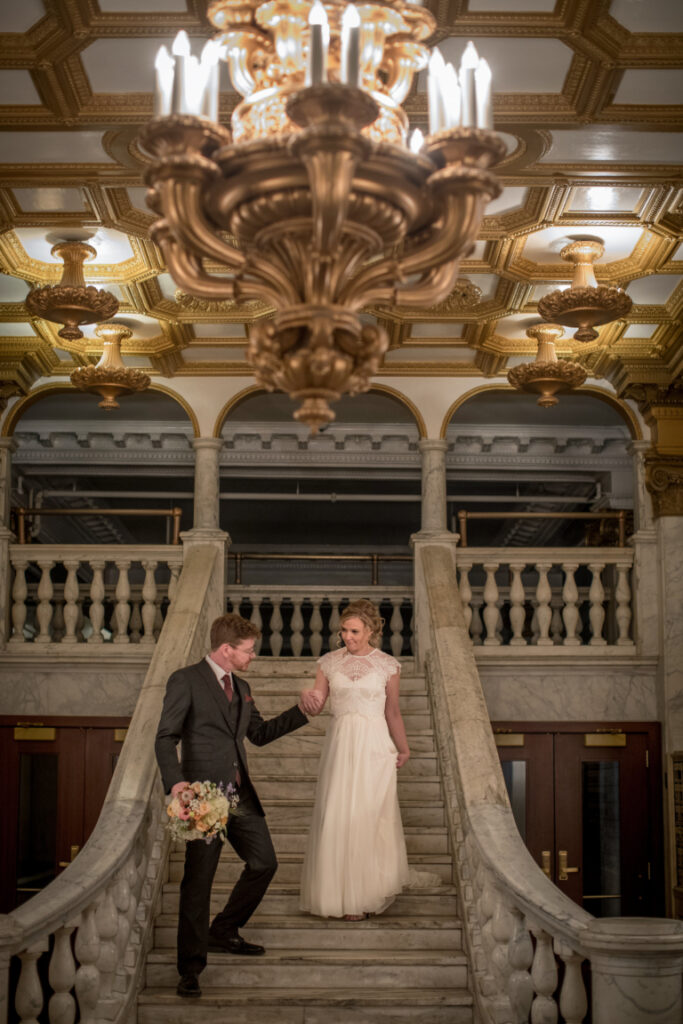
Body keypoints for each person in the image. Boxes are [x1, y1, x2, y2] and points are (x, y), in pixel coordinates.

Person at [155, 612, 322, 997]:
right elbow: (165, 737)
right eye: (248, 651)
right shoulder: (186, 680)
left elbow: (259, 735)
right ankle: (190, 969)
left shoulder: (243, 687)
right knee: (198, 883)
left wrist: (301, 713)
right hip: (202, 798)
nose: (252, 657)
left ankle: (224, 929)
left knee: (264, 863)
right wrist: (177, 782)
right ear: (226, 649)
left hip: (239, 797)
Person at [299, 599, 411, 920]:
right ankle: (338, 896)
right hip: (340, 743)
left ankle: (366, 895)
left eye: (354, 631)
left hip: (375, 746)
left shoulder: (388, 666)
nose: (348, 636)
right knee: (339, 815)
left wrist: (403, 749)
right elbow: (317, 703)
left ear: (372, 631)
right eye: (344, 630)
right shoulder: (328, 663)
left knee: (369, 818)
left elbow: (392, 712)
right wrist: (306, 697)